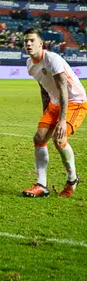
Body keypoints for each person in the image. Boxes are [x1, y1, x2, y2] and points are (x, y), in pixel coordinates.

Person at [21, 28, 85, 197]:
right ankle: (41, 185)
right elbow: (43, 88)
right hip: (55, 103)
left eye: (32, 40)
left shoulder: (52, 59)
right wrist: (46, 113)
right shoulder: (30, 65)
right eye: (26, 41)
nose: (28, 43)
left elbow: (63, 89)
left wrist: (61, 121)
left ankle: (72, 179)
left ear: (40, 44)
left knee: (59, 139)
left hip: (75, 102)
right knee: (39, 138)